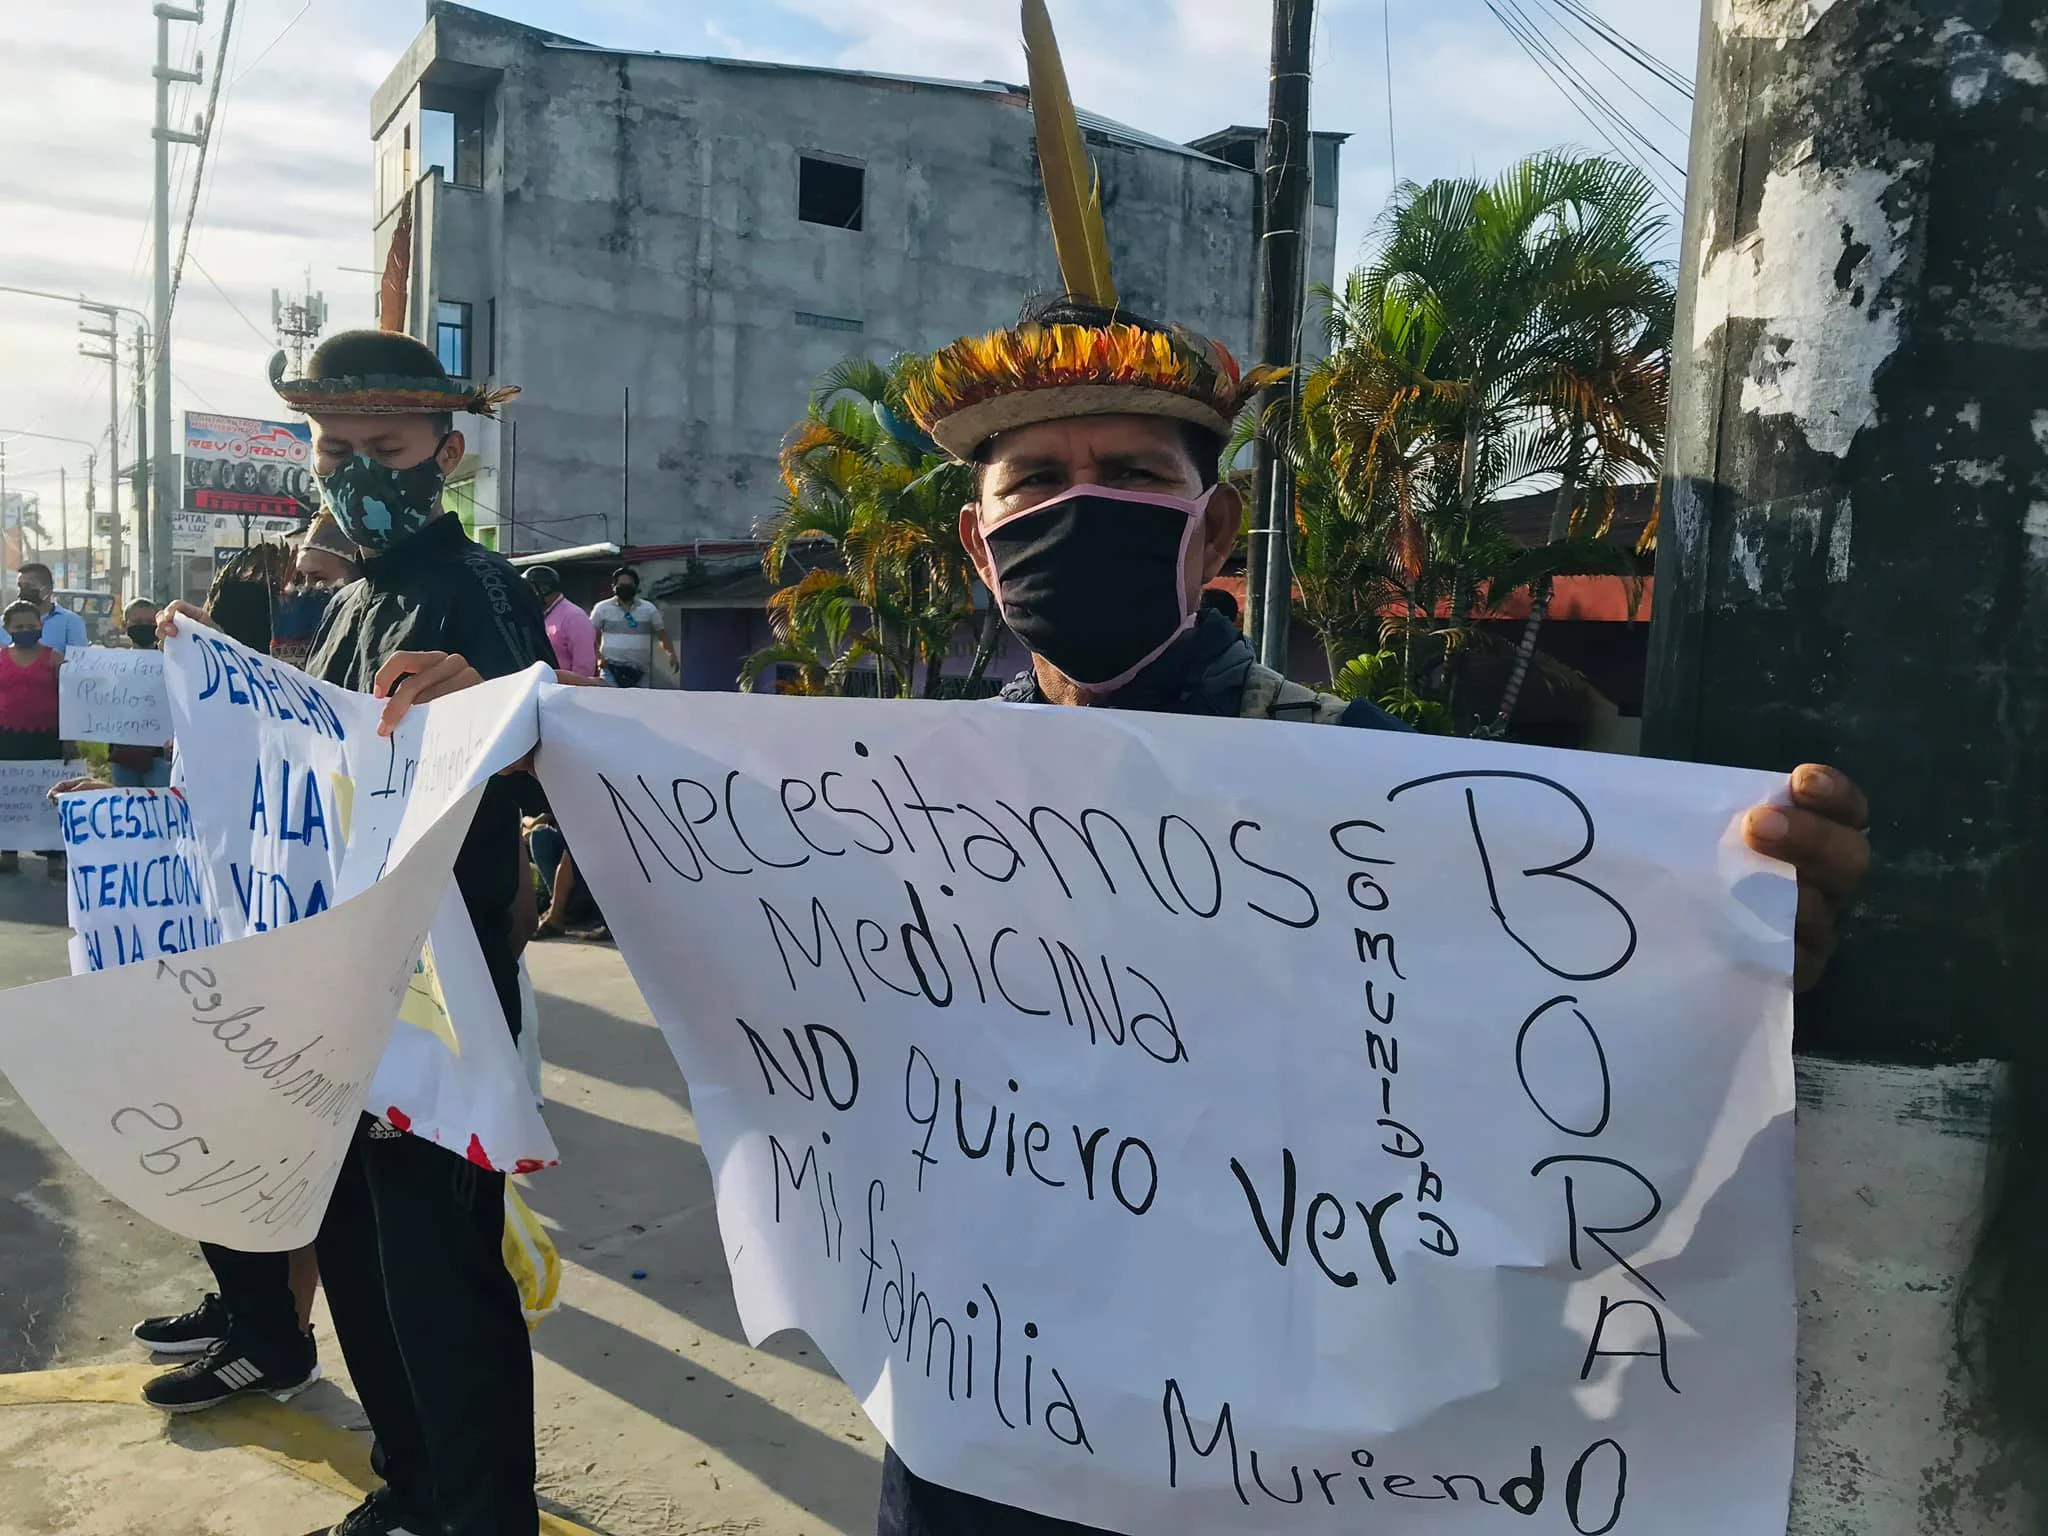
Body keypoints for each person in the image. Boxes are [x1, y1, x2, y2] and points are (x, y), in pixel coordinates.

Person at [864, 20, 1872, 1530]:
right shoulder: (889, 802)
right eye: (1036, 481)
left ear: (1214, 527)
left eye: (1134, 475)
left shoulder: (1376, 788)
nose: (1083, 506)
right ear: (978, 540)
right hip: (980, 1420)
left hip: (1270, 1440)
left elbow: (1582, 1027)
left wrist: (1750, 943)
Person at [244, 328, 544, 1536]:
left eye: (386, 446)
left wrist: (501, 713)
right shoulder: (352, 598)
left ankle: (477, 1516)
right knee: (362, 1263)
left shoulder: (476, 589)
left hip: (440, 998)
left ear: (446, 452)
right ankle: (410, 1487)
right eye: (333, 446)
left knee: (440, 1284)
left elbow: (554, 756)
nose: (355, 467)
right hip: (344, 985)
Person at [0, 597, 66, 878]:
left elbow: (71, 699)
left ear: (40, 625)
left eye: (31, 624)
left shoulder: (54, 658)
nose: (26, 629)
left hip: (47, 736)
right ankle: (8, 852)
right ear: (7, 628)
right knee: (8, 796)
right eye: (19, 625)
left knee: (49, 797)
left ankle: (55, 857)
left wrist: (70, 739)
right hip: (7, 736)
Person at [107, 599, 172, 789]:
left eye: (149, 622)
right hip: (123, 752)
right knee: (127, 809)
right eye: (137, 623)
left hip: (160, 753)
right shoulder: (111, 665)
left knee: (160, 810)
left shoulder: (173, 662)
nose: (144, 627)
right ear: (125, 624)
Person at [589, 564, 674, 687]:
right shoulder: (602, 608)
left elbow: (661, 634)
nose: (625, 588)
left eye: (629, 585)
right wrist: (598, 657)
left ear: (636, 587)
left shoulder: (648, 609)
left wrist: (671, 654)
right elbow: (590, 636)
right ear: (614, 587)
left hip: (640, 671)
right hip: (610, 669)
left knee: (638, 705)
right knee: (610, 704)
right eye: (621, 586)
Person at [524, 564, 598, 677]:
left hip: (564, 689)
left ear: (542, 590)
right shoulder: (539, 614)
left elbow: (584, 665)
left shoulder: (574, 617)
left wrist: (574, 690)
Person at [15, 562, 87, 654]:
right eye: (20, 586)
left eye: (29, 586)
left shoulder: (70, 622)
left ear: (48, 589)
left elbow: (78, 661)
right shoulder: (4, 623)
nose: (22, 591)